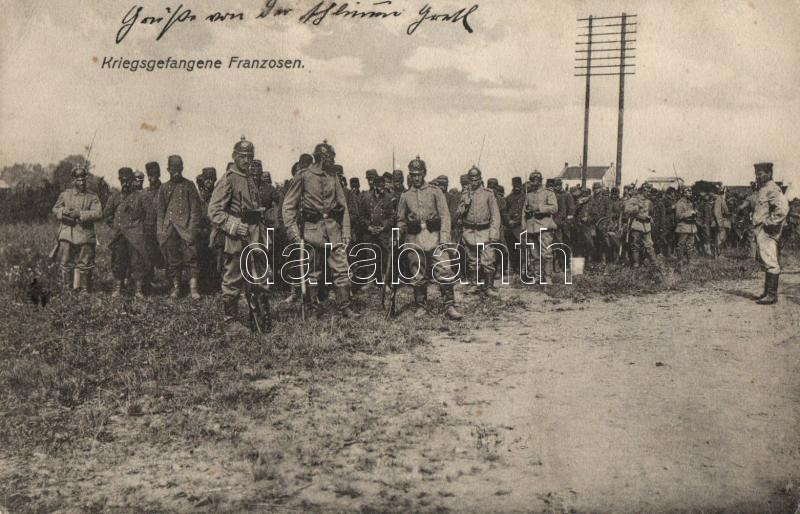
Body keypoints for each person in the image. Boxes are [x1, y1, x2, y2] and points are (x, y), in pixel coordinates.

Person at [282, 140, 355, 317]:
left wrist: (345, 231)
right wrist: (293, 232)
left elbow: (343, 206)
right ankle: (313, 308)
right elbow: (288, 206)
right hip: (311, 231)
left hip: (333, 230)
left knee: (341, 267)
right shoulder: (303, 175)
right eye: (331, 157)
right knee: (313, 271)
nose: (333, 161)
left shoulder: (333, 177)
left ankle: (344, 306)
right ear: (322, 158)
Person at [208, 137, 272, 327]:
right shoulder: (228, 179)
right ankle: (231, 320)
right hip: (237, 235)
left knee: (260, 275)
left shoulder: (250, 178)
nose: (247, 160)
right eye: (243, 156)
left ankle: (260, 316)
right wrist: (233, 225)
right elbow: (214, 210)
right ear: (234, 156)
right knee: (233, 277)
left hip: (255, 234)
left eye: (250, 156)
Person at [397, 156, 462, 320]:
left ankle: (449, 305)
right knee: (417, 272)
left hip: (434, 237)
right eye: (413, 174)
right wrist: (399, 232)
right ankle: (421, 305)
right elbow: (401, 219)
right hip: (414, 238)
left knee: (444, 269)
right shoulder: (405, 196)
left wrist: (444, 237)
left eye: (419, 174)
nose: (416, 177)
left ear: (424, 173)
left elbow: (445, 215)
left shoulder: (435, 191)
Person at [156, 155, 203, 299]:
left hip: (187, 230)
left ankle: (193, 289)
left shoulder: (189, 186)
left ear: (182, 168)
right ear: (168, 170)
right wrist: (161, 232)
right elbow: (160, 212)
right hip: (170, 230)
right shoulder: (163, 188)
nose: (175, 172)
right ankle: (176, 288)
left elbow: (195, 210)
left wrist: (192, 231)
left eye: (178, 168)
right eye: (172, 169)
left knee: (191, 259)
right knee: (172, 260)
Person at [51, 165, 103, 293]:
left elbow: (98, 213)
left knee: (85, 263)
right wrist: (64, 211)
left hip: (85, 234)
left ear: (87, 178)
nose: (81, 181)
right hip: (67, 233)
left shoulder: (92, 196)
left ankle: (84, 290)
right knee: (66, 262)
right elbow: (55, 209)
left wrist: (80, 214)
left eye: (83, 177)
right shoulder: (65, 194)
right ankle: (67, 289)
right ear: (73, 179)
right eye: (78, 178)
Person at [104, 167, 153, 298]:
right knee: (119, 261)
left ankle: (138, 290)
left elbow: (150, 215)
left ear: (132, 181)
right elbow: (107, 215)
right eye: (123, 181)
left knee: (137, 263)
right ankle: (118, 289)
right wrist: (116, 226)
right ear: (120, 181)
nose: (125, 183)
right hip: (120, 235)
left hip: (136, 235)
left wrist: (142, 229)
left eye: (128, 180)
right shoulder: (115, 197)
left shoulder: (141, 196)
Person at [458, 167, 501, 296]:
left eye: (476, 179)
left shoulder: (488, 193)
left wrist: (493, 232)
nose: (474, 182)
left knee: (488, 259)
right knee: (472, 260)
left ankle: (488, 286)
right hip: (470, 231)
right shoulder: (465, 193)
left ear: (481, 179)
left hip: (485, 231)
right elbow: (459, 213)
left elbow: (495, 215)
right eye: (471, 179)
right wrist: (465, 202)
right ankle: (474, 284)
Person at [751, 162, 789, 305]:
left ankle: (771, 295)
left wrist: (769, 222)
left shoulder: (772, 189)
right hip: (761, 230)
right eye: (756, 174)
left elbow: (783, 209)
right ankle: (768, 292)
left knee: (771, 261)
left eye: (760, 174)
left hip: (767, 230)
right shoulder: (764, 189)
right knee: (766, 260)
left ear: (768, 173)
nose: (757, 176)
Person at [522, 170, 558, 283]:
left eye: (534, 180)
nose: (532, 183)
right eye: (531, 180)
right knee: (534, 254)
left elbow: (554, 208)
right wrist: (524, 227)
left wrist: (539, 209)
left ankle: (547, 277)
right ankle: (537, 276)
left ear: (539, 181)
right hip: (531, 228)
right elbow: (524, 212)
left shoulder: (548, 193)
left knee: (546, 253)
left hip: (545, 226)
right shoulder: (529, 195)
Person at [196, 167, 221, 293]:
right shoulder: (198, 196)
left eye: (212, 179)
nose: (209, 182)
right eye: (207, 179)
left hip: (216, 229)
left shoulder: (218, 194)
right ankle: (202, 285)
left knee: (217, 258)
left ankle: (216, 284)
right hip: (201, 231)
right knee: (201, 257)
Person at [624, 183, 657, 267]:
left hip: (646, 227)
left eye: (649, 191)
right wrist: (637, 207)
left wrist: (649, 218)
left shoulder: (649, 202)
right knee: (635, 246)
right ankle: (636, 264)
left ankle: (654, 264)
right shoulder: (634, 199)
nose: (648, 192)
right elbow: (627, 210)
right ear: (642, 190)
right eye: (647, 190)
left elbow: (652, 213)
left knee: (649, 245)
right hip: (637, 225)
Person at [674, 187, 697, 271]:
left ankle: (689, 262)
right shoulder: (680, 203)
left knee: (690, 245)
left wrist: (694, 213)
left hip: (691, 227)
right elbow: (678, 216)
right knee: (681, 246)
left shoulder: (690, 203)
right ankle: (680, 263)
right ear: (684, 193)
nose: (690, 194)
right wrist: (689, 213)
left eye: (690, 192)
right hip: (683, 227)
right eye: (688, 192)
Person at [712, 184, 731, 257]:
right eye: (725, 192)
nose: (726, 194)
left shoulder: (722, 200)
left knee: (723, 238)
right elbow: (717, 212)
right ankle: (717, 255)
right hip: (720, 222)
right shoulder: (719, 199)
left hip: (724, 221)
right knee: (720, 238)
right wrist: (720, 224)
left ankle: (719, 254)